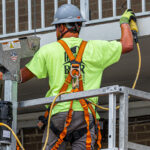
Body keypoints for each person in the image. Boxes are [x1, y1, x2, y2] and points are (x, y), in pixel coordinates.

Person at [0, 4, 135, 150]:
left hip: (59, 115)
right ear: (78, 26)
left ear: (62, 28)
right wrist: (124, 23)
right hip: (85, 116)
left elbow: (19, 77)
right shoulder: (97, 48)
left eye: (56, 27)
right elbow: (127, 44)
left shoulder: (48, 51)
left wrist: (3, 72)